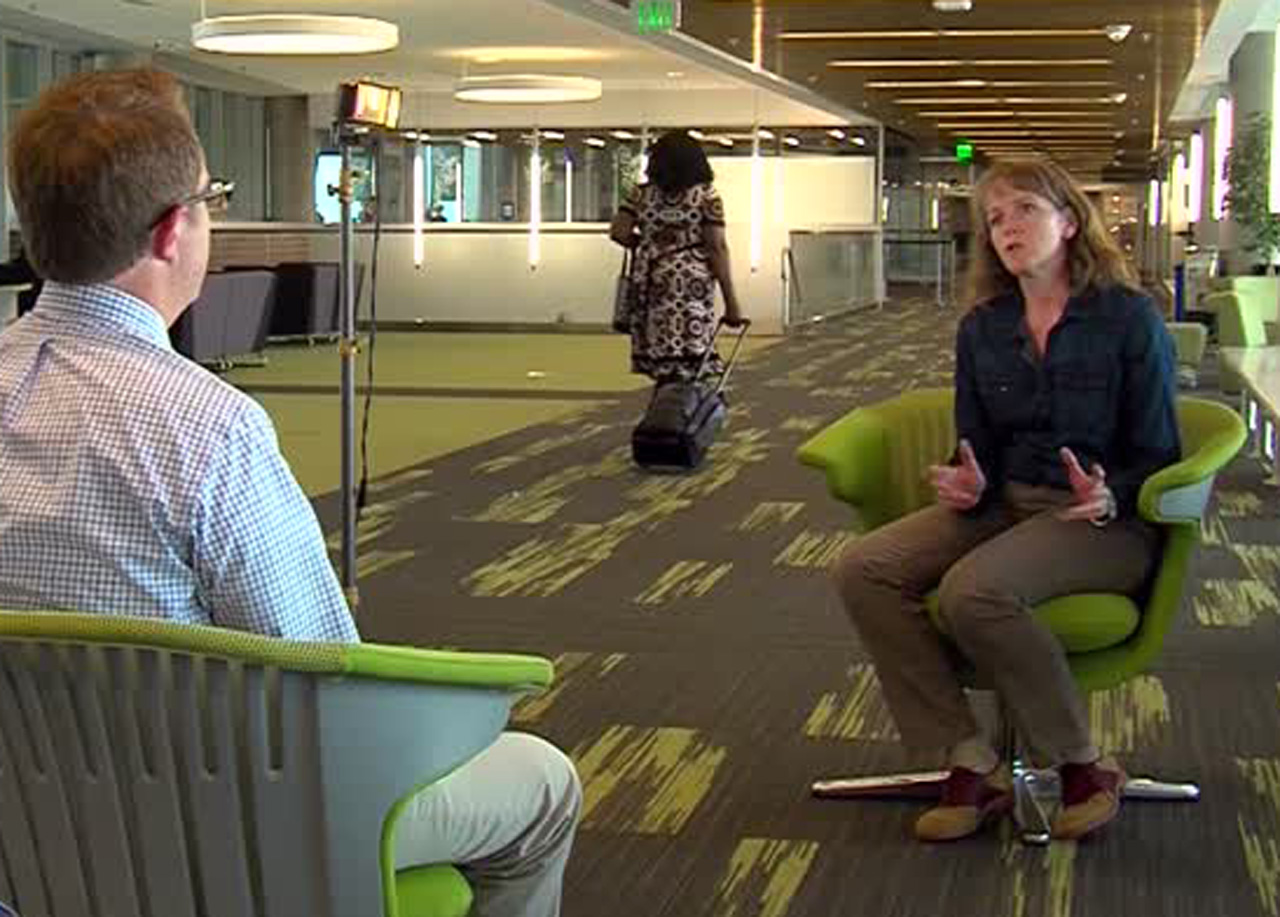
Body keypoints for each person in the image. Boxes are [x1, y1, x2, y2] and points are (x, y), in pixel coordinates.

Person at [0, 69, 580, 917]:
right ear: (172, 231)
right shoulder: (207, 430)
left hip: (22, 831)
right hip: (210, 822)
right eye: (212, 200)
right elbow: (322, 676)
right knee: (544, 783)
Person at [833, 159, 1180, 843]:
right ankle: (969, 757)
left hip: (1102, 521)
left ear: (1069, 222)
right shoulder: (984, 326)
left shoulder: (1127, 317)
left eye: (1025, 209)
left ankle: (1082, 764)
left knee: (975, 591)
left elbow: (1160, 451)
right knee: (862, 568)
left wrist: (1112, 492)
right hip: (1005, 503)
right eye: (995, 219)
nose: (1008, 227)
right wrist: (967, 478)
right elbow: (978, 441)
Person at [609, 131, 746, 383]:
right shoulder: (706, 196)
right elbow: (716, 247)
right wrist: (731, 302)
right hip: (691, 284)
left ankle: (666, 395)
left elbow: (618, 232)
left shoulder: (640, 194)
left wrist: (648, 245)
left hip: (651, 279)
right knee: (692, 354)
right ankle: (685, 400)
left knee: (660, 351)